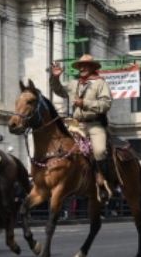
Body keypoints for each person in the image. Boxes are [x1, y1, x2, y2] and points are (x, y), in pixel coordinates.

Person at [50, 54, 113, 202]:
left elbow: (106, 104)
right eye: (80, 66)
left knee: (99, 150)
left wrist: (84, 103)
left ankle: (101, 178)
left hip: (94, 124)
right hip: (76, 124)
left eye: (85, 65)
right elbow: (59, 90)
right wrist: (55, 78)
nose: (82, 68)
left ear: (92, 68)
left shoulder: (100, 83)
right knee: (59, 146)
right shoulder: (74, 84)